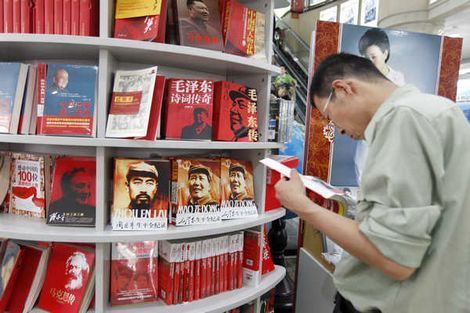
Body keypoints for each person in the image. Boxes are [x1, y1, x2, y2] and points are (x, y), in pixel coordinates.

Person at [275, 53, 470, 312]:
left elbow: (393, 257)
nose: (339, 129)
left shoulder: (405, 119)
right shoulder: (435, 110)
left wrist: (302, 205)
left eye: (329, 115)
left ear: (343, 89)